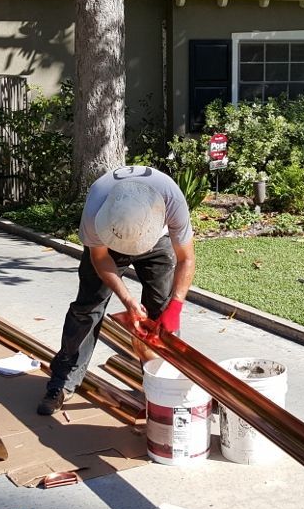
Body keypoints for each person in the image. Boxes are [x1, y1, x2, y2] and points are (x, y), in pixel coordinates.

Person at [38, 165, 194, 416]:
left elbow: (186, 258)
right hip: (108, 241)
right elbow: (100, 260)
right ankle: (63, 381)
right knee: (87, 308)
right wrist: (128, 300)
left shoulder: (172, 198)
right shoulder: (95, 208)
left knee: (161, 312)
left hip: (157, 241)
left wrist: (175, 306)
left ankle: (162, 387)